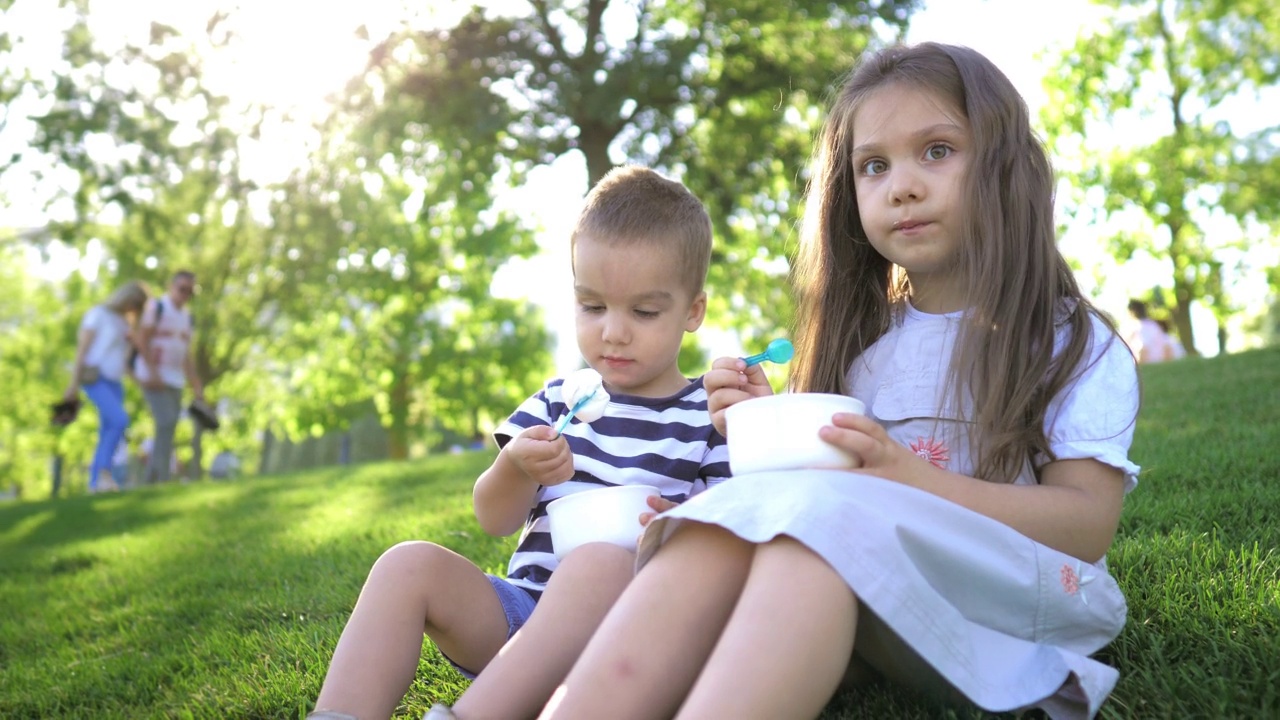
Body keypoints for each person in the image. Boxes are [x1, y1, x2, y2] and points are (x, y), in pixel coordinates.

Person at [540, 43, 1141, 720]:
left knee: (809, 541)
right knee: (723, 529)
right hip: (858, 583)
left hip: (1001, 599)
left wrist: (909, 476)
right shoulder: (865, 346)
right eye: (873, 166)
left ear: (1006, 167)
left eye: (937, 150)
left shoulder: (1069, 343)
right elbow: (816, 495)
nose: (901, 185)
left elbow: (1087, 527)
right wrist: (766, 429)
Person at [309, 166, 732, 720]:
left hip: (631, 634)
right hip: (524, 615)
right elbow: (493, 518)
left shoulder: (710, 416)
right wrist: (515, 466)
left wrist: (674, 523)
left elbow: (730, 536)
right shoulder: (561, 399)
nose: (613, 331)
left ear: (692, 311)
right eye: (593, 306)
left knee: (597, 565)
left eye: (644, 312)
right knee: (405, 565)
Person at [63, 280, 149, 493]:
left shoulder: (125, 323)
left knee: (108, 430)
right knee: (120, 420)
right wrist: (72, 385)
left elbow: (125, 360)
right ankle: (104, 472)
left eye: (140, 306)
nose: (135, 308)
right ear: (126, 296)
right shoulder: (98, 314)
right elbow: (82, 350)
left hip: (115, 381)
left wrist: (141, 381)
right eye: (135, 302)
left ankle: (95, 484)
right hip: (95, 378)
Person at [134, 270, 204, 484]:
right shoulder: (157, 308)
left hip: (175, 379)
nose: (186, 294)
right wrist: (153, 373)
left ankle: (153, 480)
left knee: (169, 426)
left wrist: (196, 384)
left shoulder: (187, 318)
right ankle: (160, 479)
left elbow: (186, 355)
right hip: (152, 376)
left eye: (190, 291)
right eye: (182, 289)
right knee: (165, 421)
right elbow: (141, 340)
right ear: (171, 287)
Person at [1125, 298, 1171, 363]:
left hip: (1150, 363)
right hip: (1159, 362)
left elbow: (1143, 349)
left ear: (1132, 311)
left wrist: (1140, 365)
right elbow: (1167, 347)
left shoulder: (1138, 327)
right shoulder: (1154, 325)